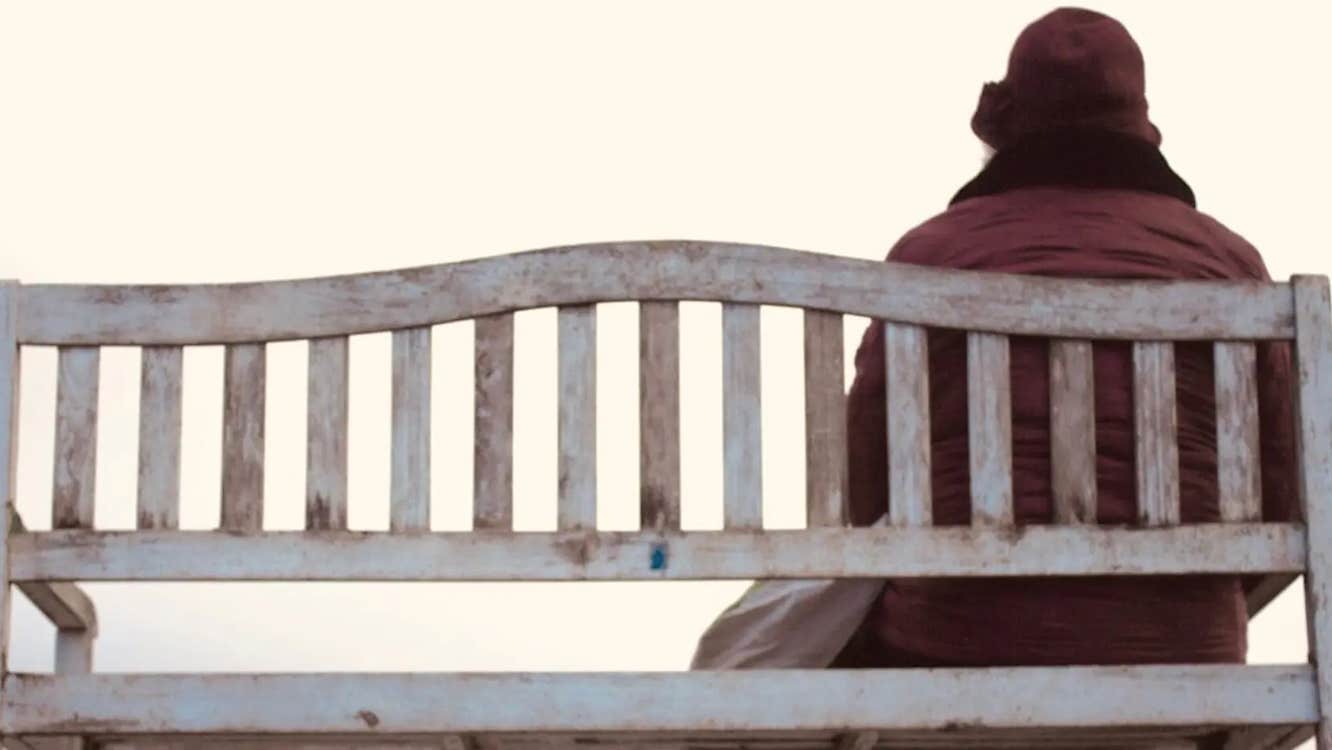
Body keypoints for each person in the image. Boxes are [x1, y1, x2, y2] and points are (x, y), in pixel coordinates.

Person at [833, 7, 1297, 668]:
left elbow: (869, 488)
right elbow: (1281, 493)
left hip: (959, 635)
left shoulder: (928, 256)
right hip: (1184, 641)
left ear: (1013, 125)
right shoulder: (1229, 264)